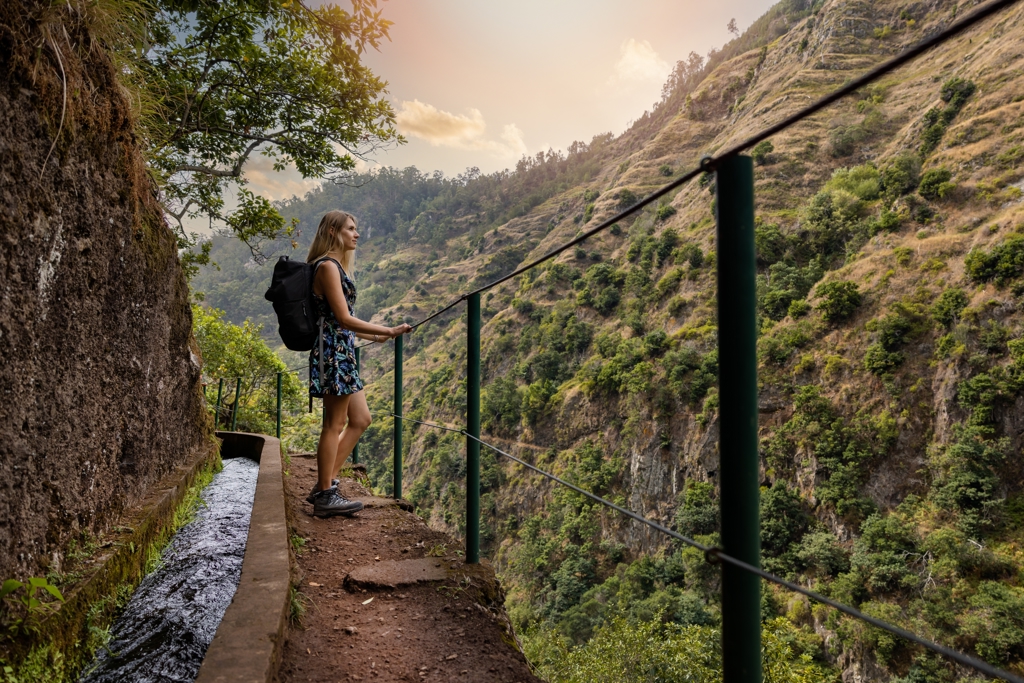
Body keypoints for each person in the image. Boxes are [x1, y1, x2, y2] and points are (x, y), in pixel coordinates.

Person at [305, 210, 412, 517]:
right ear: (332, 232)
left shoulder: (337, 267)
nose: (357, 234)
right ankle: (326, 495)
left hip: (343, 351)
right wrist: (387, 330)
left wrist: (373, 337)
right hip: (332, 354)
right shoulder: (326, 266)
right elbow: (342, 318)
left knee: (361, 419)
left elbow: (343, 322)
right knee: (334, 424)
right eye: (350, 229)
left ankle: (323, 485)